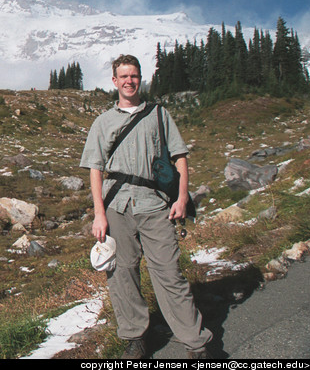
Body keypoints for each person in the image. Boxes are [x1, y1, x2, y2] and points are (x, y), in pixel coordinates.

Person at [80, 54, 212, 359]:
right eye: (123, 76)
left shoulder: (159, 115)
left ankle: (196, 343)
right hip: (117, 208)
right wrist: (99, 214)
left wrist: (181, 197)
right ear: (114, 81)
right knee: (122, 275)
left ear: (140, 79)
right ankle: (134, 338)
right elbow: (95, 170)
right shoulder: (103, 122)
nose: (129, 81)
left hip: (156, 206)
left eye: (134, 76)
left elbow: (180, 157)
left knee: (170, 275)